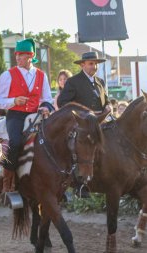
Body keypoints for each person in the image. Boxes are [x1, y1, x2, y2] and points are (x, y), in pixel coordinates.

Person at [0, 38, 54, 209]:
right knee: (15, 142)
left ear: (31, 56)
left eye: (21, 55)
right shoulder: (8, 75)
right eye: (17, 55)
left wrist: (45, 107)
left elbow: (47, 99)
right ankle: (7, 184)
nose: (18, 58)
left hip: (36, 116)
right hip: (16, 116)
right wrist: (14, 101)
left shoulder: (42, 76)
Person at [57, 51, 111, 198]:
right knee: (82, 149)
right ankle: (79, 184)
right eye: (91, 63)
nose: (94, 67)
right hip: (82, 124)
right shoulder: (74, 81)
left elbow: (106, 101)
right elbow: (62, 102)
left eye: (96, 64)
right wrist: (81, 114)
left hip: (101, 121)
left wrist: (109, 106)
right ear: (82, 65)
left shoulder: (100, 81)